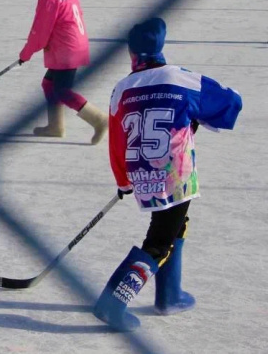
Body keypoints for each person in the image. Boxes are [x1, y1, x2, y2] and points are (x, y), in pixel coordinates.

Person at [92, 17, 242, 332]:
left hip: (142, 172)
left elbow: (117, 140)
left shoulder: (122, 87)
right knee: (158, 241)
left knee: (173, 225)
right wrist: (196, 114)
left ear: (131, 52)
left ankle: (169, 294)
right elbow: (231, 103)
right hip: (176, 174)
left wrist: (123, 180)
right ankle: (113, 301)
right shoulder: (181, 78)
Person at [18, 0, 107, 144]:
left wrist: (25, 54)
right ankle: (55, 126)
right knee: (49, 85)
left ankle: (99, 120)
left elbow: (39, 33)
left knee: (63, 91)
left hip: (66, 51)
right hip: (73, 46)